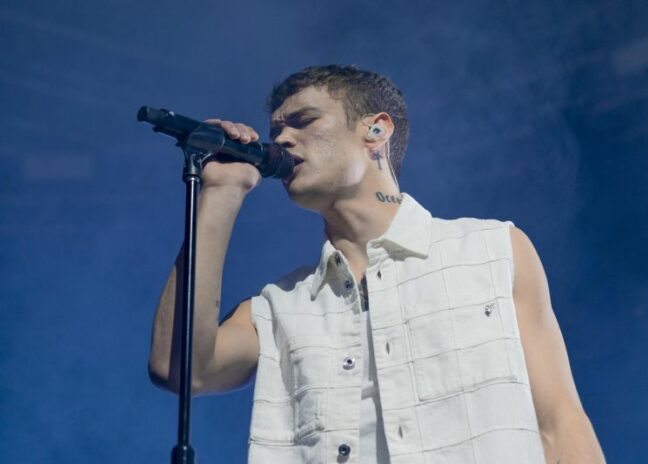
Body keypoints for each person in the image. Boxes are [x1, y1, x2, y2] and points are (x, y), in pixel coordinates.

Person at [148, 65, 605, 463]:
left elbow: (561, 422)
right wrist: (221, 191)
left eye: (304, 121)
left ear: (376, 131)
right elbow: (181, 368)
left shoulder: (492, 250)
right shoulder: (278, 308)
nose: (282, 139)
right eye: (277, 130)